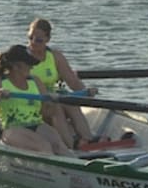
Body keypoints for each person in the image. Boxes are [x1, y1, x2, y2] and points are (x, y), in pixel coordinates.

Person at [0, 44, 74, 156]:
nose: (32, 67)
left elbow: (48, 113)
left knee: (59, 146)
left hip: (37, 124)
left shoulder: (36, 81)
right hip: (11, 129)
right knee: (43, 146)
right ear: (16, 67)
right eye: (29, 64)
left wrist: (51, 102)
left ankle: (77, 168)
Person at [25, 18, 101, 149]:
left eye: (38, 40)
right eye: (30, 38)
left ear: (47, 39)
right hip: (32, 101)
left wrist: (87, 93)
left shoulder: (55, 56)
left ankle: (88, 139)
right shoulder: (22, 58)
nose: (33, 43)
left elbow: (72, 80)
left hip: (53, 97)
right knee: (57, 106)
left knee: (69, 101)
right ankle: (70, 145)